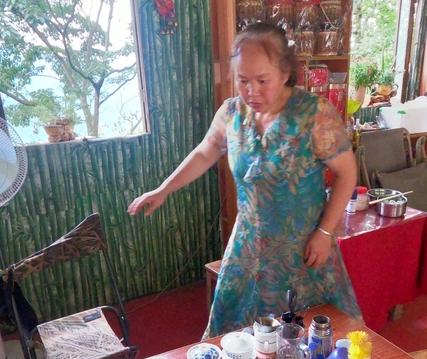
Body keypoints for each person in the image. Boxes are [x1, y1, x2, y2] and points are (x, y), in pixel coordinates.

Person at [128, 23, 361, 338]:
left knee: (310, 340)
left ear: (284, 73)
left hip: (304, 247)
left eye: (262, 80)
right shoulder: (232, 112)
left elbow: (348, 173)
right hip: (248, 246)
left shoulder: (313, 114)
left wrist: (324, 232)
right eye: (242, 80)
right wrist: (164, 189)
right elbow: (206, 151)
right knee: (235, 339)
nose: (252, 91)